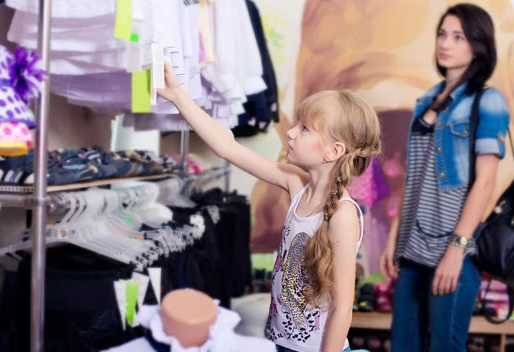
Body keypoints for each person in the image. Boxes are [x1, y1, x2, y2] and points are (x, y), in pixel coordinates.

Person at [159, 65, 381, 352]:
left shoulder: (343, 215)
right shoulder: (296, 183)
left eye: (304, 128)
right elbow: (228, 148)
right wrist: (179, 97)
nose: (290, 133)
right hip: (281, 343)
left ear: (333, 151)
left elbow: (342, 309)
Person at [379, 3, 511, 352]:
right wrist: (395, 237)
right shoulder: (426, 101)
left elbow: (485, 182)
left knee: (444, 347)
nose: (445, 43)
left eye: (458, 36)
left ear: (477, 45)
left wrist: (456, 251)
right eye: (442, 33)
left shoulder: (488, 101)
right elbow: (415, 179)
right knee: (402, 346)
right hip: (413, 246)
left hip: (453, 250)